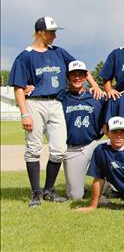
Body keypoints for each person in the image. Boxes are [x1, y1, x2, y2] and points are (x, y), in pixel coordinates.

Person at [7, 16, 102, 207]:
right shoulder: (26, 56)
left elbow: (82, 69)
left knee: (59, 149)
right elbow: (18, 87)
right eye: (51, 32)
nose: (54, 36)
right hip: (35, 103)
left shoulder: (59, 52)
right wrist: (24, 113)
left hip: (56, 103)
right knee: (33, 148)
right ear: (40, 32)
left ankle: (49, 190)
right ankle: (36, 193)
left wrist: (95, 86)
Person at [63, 61, 107, 200]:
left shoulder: (97, 96)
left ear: (85, 76)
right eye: (73, 75)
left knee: (113, 149)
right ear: (68, 77)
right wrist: (29, 90)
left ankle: (104, 190)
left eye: (80, 74)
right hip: (72, 149)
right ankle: (80, 190)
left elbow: (117, 101)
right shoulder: (61, 98)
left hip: (93, 145)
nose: (77, 78)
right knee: (75, 196)